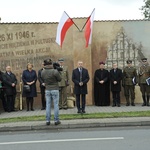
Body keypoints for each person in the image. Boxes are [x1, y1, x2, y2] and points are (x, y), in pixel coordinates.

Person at [41, 58, 62, 125]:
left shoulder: (43, 71)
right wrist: (59, 71)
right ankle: (56, 120)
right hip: (55, 88)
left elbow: (42, 78)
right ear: (51, 64)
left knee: (48, 105)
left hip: (47, 89)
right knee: (56, 105)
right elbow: (59, 79)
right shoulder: (54, 71)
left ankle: (47, 120)